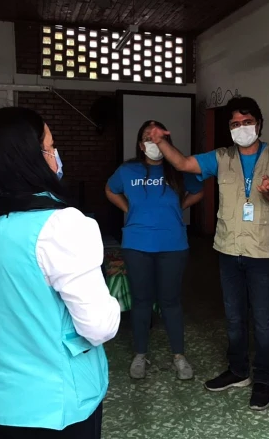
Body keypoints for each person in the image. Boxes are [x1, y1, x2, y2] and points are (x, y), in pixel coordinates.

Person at [0, 107, 121, 439]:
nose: (55, 156)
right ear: (27, 157)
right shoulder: (62, 225)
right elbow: (98, 328)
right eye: (50, 146)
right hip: (49, 397)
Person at [148, 96, 269, 410]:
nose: (241, 128)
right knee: (233, 318)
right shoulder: (221, 157)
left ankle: (262, 378)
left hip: (263, 252)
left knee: (263, 321)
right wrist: (161, 141)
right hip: (229, 249)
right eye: (235, 124)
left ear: (258, 124)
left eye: (246, 122)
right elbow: (183, 164)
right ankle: (238, 371)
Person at [105, 120, 204, 381]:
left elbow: (198, 192)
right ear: (141, 145)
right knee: (141, 301)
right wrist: (128, 209)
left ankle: (179, 356)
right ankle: (140, 354)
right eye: (148, 138)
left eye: (157, 137)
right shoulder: (128, 170)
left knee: (171, 301)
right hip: (137, 245)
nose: (153, 142)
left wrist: (179, 206)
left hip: (173, 245)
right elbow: (109, 189)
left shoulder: (179, 170)